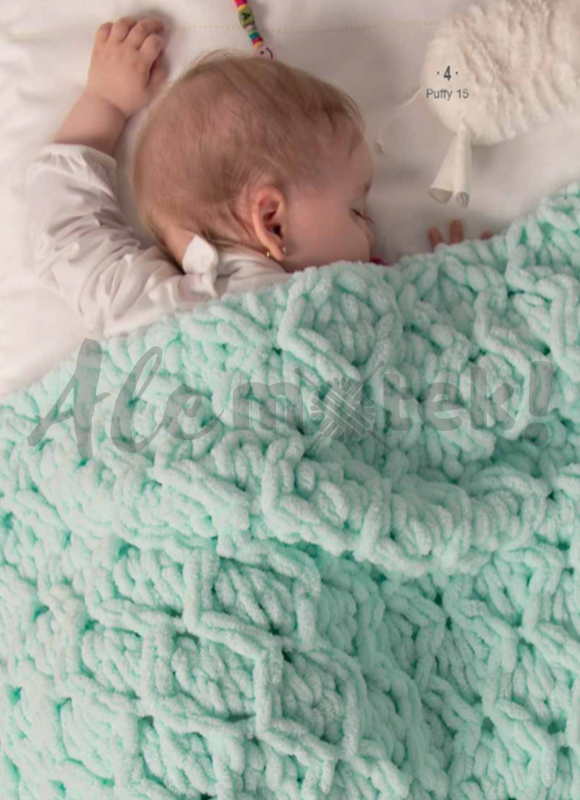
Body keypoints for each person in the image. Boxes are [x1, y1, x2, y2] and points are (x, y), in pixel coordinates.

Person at [25, 16, 493, 339]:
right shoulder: (355, 297)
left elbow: (66, 234)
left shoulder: (151, 306)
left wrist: (105, 103)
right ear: (273, 221)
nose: (372, 231)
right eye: (356, 211)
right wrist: (457, 292)